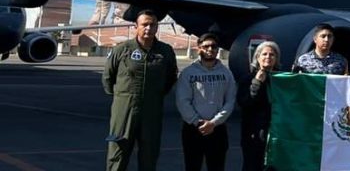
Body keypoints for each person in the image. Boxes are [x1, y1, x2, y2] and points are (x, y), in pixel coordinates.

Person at [103, 9, 179, 171]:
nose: (148, 28)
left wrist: (155, 94)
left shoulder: (165, 51)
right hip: (124, 110)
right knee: (118, 151)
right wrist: (122, 97)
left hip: (152, 110)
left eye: (152, 25)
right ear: (136, 27)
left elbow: (171, 77)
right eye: (144, 24)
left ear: (157, 27)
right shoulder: (122, 50)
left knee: (149, 153)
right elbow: (108, 78)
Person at [176, 32, 236, 171]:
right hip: (193, 129)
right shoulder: (188, 73)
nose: (210, 49)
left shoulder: (226, 73)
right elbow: (182, 101)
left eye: (214, 46)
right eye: (206, 46)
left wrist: (214, 123)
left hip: (217, 129)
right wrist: (198, 122)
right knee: (192, 166)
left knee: (217, 167)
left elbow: (230, 101)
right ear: (199, 49)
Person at [237, 41, 280, 171]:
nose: (268, 57)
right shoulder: (247, 79)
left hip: (275, 134)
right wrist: (256, 83)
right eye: (264, 54)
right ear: (257, 57)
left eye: (272, 54)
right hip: (253, 134)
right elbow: (244, 103)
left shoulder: (281, 80)